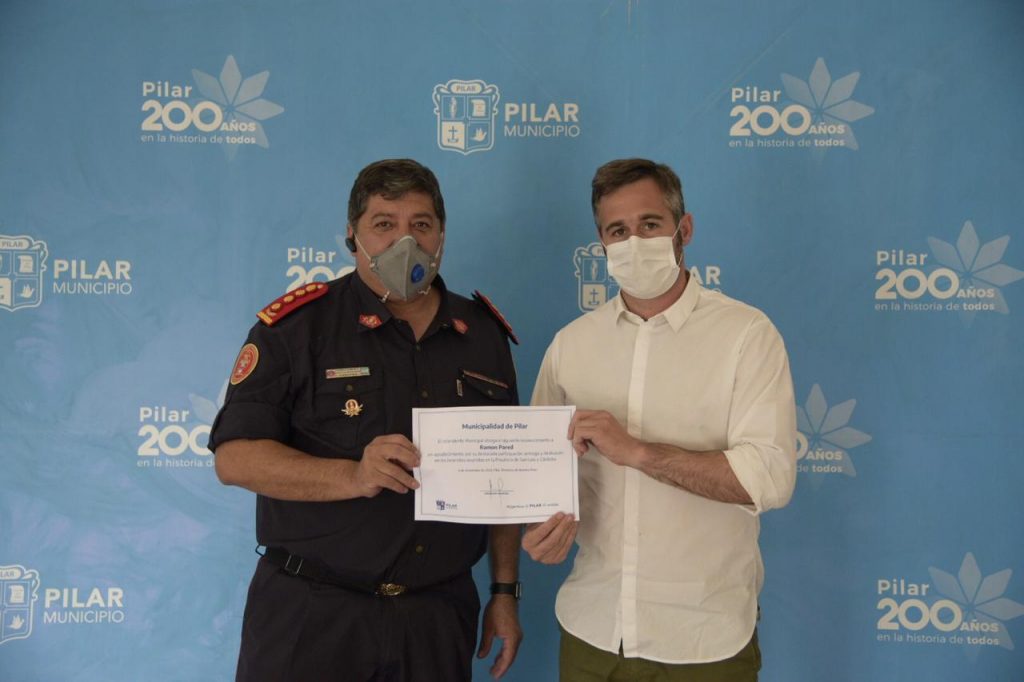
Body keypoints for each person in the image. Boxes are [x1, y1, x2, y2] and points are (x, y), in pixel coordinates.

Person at [209, 159, 523, 681]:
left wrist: (505, 591)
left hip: (436, 617)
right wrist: (352, 476)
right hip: (312, 613)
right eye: (384, 224)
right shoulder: (297, 328)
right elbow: (235, 458)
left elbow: (505, 477)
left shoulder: (482, 334)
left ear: (441, 235)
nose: (406, 240)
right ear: (352, 236)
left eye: (421, 224)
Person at [522, 158, 796, 681]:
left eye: (649, 224)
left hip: (704, 639)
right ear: (602, 244)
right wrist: (540, 528)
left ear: (683, 229)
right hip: (592, 630)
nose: (633, 242)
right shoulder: (571, 346)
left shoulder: (746, 335)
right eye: (617, 231)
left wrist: (639, 453)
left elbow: (770, 477)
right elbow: (539, 474)